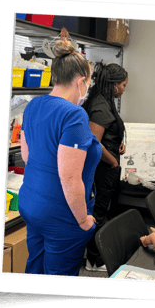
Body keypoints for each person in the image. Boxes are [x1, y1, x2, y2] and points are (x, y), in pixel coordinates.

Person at [18, 36, 101, 277]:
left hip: (31, 204)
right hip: (61, 214)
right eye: (88, 83)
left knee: (35, 267)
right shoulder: (74, 115)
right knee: (59, 278)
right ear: (81, 81)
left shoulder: (33, 105)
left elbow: (27, 156)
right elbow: (70, 177)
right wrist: (83, 219)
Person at [82, 63, 128, 271]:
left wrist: (116, 141)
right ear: (115, 85)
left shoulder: (103, 98)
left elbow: (104, 134)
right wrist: (113, 160)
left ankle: (96, 255)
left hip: (107, 163)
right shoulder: (101, 104)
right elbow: (93, 142)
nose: (124, 90)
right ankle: (94, 260)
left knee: (103, 211)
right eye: (124, 85)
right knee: (98, 212)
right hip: (102, 168)